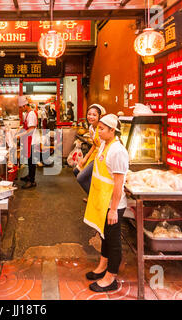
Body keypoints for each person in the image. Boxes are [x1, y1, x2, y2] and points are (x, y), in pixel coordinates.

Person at [83, 114, 129, 293]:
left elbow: (118, 182)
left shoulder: (117, 151)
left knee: (113, 239)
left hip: (113, 204)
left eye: (102, 129)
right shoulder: (104, 144)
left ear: (112, 130)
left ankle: (111, 277)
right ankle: (102, 266)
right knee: (104, 236)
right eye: (98, 128)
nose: (99, 132)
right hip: (103, 201)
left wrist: (114, 209)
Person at [73, 104, 106, 196]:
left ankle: (95, 198)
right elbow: (94, 145)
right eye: (89, 114)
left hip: (102, 156)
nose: (91, 117)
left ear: (100, 116)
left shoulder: (102, 128)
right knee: (76, 171)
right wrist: (85, 158)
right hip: (94, 154)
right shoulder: (91, 128)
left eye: (94, 115)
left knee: (81, 178)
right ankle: (92, 195)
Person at [16, 95, 38, 189]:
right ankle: (29, 176)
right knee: (29, 160)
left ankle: (32, 181)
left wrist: (19, 135)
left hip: (32, 140)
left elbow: (31, 129)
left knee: (32, 161)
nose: (21, 110)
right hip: (28, 140)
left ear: (25, 106)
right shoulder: (28, 114)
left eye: (21, 108)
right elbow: (26, 127)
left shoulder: (32, 114)